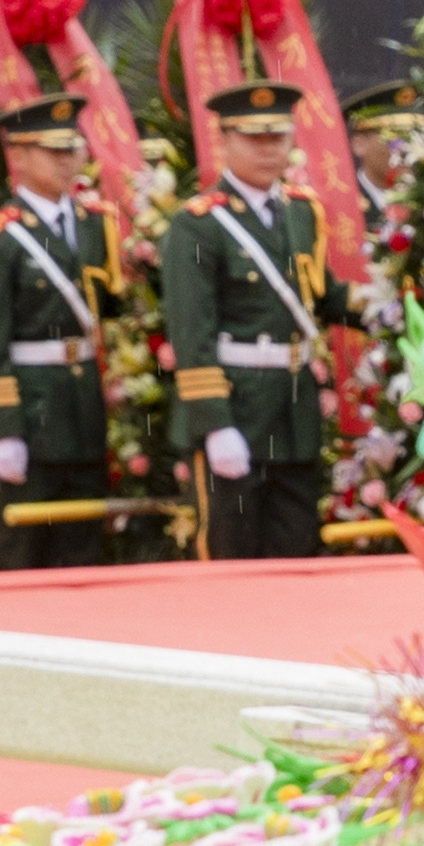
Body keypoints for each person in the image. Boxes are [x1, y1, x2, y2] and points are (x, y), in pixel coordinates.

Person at [161, 81, 350, 559]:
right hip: (237, 408)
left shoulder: (301, 212)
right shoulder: (199, 223)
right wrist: (214, 423)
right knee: (233, 555)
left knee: (297, 552)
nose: (269, 150)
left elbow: (321, 296)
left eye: (279, 137)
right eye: (253, 138)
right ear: (223, 140)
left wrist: (395, 300)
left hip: (292, 408)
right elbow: (192, 331)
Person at [0, 98, 116, 572]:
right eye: (53, 150)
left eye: (73, 148)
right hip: (31, 411)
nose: (67, 159)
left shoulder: (95, 226)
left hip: (83, 407)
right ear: (19, 157)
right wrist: (2, 430)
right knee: (21, 553)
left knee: (82, 552)